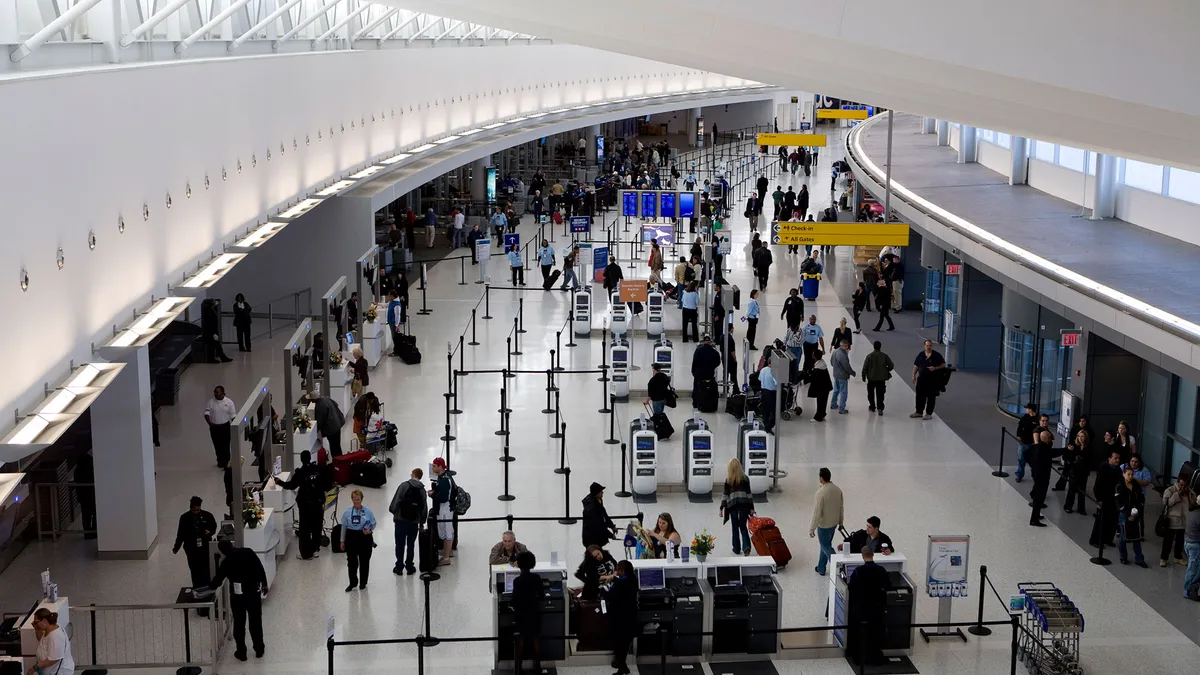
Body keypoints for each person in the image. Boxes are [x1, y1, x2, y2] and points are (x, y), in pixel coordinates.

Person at [207, 539, 268, 660]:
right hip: (254, 593)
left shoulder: (226, 562)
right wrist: (264, 583)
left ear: (222, 551)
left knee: (239, 624)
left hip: (238, 596)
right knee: (255, 622)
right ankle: (259, 649)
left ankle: (241, 652)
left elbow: (218, 580)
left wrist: (208, 587)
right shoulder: (248, 552)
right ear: (232, 544)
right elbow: (259, 567)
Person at [846, 546, 892, 667]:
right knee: (875, 633)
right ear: (873, 555)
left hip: (862, 608)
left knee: (861, 632)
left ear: (862, 556)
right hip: (877, 608)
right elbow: (888, 586)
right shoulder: (881, 570)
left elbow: (851, 588)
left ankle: (861, 656)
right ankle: (875, 657)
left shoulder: (858, 571)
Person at [275, 450, 326, 560]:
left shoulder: (300, 473)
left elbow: (291, 485)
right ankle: (316, 549)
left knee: (305, 529)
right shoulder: (317, 469)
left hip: (306, 505)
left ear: (301, 459)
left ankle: (306, 553)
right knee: (317, 526)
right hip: (318, 503)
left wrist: (279, 482)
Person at [509, 550, 544, 675]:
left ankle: (518, 666)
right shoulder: (537, 578)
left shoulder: (517, 581)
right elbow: (542, 595)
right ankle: (538, 666)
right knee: (536, 638)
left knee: (521, 639)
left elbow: (515, 598)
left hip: (521, 614)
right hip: (534, 612)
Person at [388, 467, 428, 575]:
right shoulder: (422, 490)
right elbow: (423, 508)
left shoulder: (404, 486)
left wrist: (394, 512)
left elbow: (396, 502)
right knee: (411, 545)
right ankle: (409, 566)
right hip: (413, 523)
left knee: (400, 544)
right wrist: (422, 522)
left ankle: (399, 567)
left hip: (401, 520)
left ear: (412, 474)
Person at [173, 496, 217, 589]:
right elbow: (180, 534)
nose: (196, 512)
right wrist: (176, 547)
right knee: (194, 568)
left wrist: (210, 532)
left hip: (205, 546)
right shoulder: (184, 518)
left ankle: (207, 586)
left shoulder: (207, 515)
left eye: (198, 510)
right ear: (190, 508)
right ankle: (197, 586)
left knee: (206, 566)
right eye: (194, 510)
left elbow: (213, 526)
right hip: (191, 547)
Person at [604, 560, 639, 675]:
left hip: (620, 619)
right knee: (624, 644)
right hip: (630, 618)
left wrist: (603, 591)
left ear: (622, 571)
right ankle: (621, 665)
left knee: (619, 645)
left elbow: (610, 596)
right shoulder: (633, 580)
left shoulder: (620, 584)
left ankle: (623, 668)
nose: (616, 571)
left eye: (618, 569)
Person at [339, 489, 377, 591]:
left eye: (358, 499)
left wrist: (369, 531)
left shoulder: (368, 511)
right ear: (352, 499)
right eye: (354, 499)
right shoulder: (347, 512)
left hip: (365, 537)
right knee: (351, 562)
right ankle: (353, 582)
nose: (356, 501)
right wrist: (342, 541)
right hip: (351, 537)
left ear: (362, 499)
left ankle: (363, 582)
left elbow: (373, 523)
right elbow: (343, 527)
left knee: (364, 561)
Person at [810, 467, 844, 575]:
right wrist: (841, 522)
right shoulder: (838, 490)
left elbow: (817, 512)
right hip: (833, 523)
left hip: (824, 525)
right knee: (825, 545)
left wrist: (812, 528)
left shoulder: (821, 493)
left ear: (821, 478)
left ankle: (837, 564)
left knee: (826, 546)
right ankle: (821, 568)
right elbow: (841, 507)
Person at [720, 458, 755, 556]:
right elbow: (749, 495)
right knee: (743, 527)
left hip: (733, 507)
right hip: (744, 506)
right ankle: (746, 547)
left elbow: (725, 495)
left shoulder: (728, 480)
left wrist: (721, 508)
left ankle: (736, 548)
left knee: (735, 528)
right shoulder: (745, 479)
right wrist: (751, 508)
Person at [1115, 464, 1148, 566]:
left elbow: (1141, 498)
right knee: (1123, 537)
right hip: (1124, 514)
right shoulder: (1119, 486)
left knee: (1136, 538)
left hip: (1135, 513)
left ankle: (1139, 559)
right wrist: (1128, 513)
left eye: (1132, 474)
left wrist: (1137, 510)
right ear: (1124, 474)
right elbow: (1118, 503)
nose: (1130, 476)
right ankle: (1123, 556)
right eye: (1128, 474)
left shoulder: (1136, 485)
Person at [1028, 431, 1061, 527]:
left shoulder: (1036, 447)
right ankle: (1034, 519)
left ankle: (1036, 515)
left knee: (1039, 497)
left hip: (1037, 475)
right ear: (1046, 439)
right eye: (1050, 438)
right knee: (1039, 498)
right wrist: (1066, 449)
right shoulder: (1044, 449)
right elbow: (1054, 452)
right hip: (1042, 477)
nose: (1051, 440)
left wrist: (1033, 466)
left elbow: (1027, 455)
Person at [28, 608, 74, 675]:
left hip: (60, 672)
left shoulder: (55, 636)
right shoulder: (49, 628)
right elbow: (41, 639)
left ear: (44, 621)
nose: (35, 624)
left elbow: (54, 659)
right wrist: (37, 628)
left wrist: (35, 667)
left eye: (36, 622)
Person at [1091, 450, 1123, 547]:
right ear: (1109, 458)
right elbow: (1097, 486)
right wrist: (1099, 499)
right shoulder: (1103, 468)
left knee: (1112, 520)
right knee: (1101, 520)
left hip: (1114, 498)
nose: (1117, 460)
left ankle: (1108, 539)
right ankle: (1095, 540)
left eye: (1118, 458)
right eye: (1115, 458)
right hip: (1104, 498)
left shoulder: (1118, 470)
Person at [429, 457, 455, 567]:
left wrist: (432, 495)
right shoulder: (444, 477)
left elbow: (443, 497)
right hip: (445, 509)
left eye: (434, 466)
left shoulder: (444, 480)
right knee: (448, 531)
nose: (432, 467)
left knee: (446, 532)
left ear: (440, 466)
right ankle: (448, 551)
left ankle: (446, 558)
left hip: (444, 510)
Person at [910, 339, 946, 419]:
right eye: (927, 345)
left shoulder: (936, 355)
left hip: (933, 381)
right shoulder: (921, 355)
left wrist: (935, 368)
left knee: (931, 397)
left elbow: (943, 364)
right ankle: (919, 412)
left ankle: (929, 413)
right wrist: (913, 375)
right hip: (922, 380)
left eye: (930, 345)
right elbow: (916, 365)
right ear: (924, 346)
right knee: (919, 396)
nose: (929, 347)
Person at [1161, 477, 1191, 567]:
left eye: (1185, 485)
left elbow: (1193, 502)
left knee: (1180, 541)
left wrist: (1189, 493)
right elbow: (1167, 503)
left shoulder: (1188, 491)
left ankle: (1177, 557)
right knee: (1168, 541)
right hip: (1172, 520)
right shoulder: (1170, 490)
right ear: (1177, 482)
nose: (1183, 487)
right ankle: (1163, 558)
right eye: (1181, 484)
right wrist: (1178, 495)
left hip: (1184, 520)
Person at [204, 386, 236, 468]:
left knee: (226, 445)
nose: (215, 394)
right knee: (217, 445)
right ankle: (220, 461)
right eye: (214, 392)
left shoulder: (229, 402)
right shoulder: (210, 402)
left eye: (217, 392)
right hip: (214, 427)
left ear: (222, 393)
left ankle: (227, 463)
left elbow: (233, 416)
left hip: (225, 427)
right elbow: (206, 413)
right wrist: (210, 423)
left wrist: (235, 427)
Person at [1061, 429, 1092, 515]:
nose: (1080, 438)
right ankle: (1068, 506)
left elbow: (1090, 459)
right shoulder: (1073, 445)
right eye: (1079, 436)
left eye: (1082, 436)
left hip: (1083, 472)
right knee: (1072, 489)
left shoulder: (1089, 447)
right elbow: (1066, 456)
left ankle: (1081, 508)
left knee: (1082, 491)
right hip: (1074, 471)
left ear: (1085, 437)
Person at [581, 482, 618, 548]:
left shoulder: (598, 501)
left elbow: (604, 515)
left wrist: (612, 526)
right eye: (601, 491)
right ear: (596, 493)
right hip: (592, 540)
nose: (602, 492)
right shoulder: (592, 508)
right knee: (595, 556)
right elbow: (598, 526)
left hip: (596, 537)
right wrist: (610, 535)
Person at [308, 391, 346, 457]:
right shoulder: (326, 398)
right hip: (337, 424)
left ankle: (336, 461)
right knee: (337, 445)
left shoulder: (319, 405)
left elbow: (320, 420)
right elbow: (336, 405)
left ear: (313, 399)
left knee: (333, 446)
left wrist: (315, 431)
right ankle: (340, 460)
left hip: (331, 428)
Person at [860, 341, 894, 415]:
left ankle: (872, 406)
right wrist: (886, 370)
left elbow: (865, 367)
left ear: (873, 346)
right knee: (880, 393)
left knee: (871, 393)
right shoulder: (884, 356)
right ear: (880, 347)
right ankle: (880, 408)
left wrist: (863, 376)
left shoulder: (869, 356)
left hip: (871, 378)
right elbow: (891, 365)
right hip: (881, 378)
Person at [1014, 402, 1039, 483]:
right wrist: (1019, 436)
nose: (1026, 409)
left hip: (1033, 444)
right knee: (1021, 459)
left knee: (1034, 461)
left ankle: (1035, 475)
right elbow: (1020, 427)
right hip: (1023, 442)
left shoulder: (1038, 419)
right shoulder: (1025, 417)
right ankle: (1019, 475)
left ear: (1030, 409)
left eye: (1027, 408)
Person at [691, 334, 721, 399]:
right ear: (710, 342)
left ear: (703, 342)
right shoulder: (714, 352)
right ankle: (707, 400)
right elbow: (718, 362)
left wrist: (693, 371)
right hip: (709, 373)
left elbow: (694, 361)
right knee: (708, 386)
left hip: (699, 372)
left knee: (697, 386)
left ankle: (696, 402)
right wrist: (712, 367)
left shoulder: (698, 350)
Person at [806, 349, 833, 422]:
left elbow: (813, 379)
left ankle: (818, 417)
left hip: (821, 388)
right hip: (826, 387)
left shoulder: (818, 368)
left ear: (814, 357)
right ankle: (822, 414)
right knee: (823, 402)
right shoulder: (822, 364)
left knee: (820, 402)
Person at [74, 452, 96, 539]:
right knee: (95, 513)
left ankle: (87, 532)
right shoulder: (91, 469)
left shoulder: (77, 470)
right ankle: (94, 531)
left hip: (83, 496)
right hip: (92, 495)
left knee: (86, 515)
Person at [830, 340, 855, 414]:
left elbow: (831, 362)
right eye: (846, 346)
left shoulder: (835, 351)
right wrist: (852, 373)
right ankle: (842, 409)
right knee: (843, 392)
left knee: (836, 390)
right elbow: (846, 366)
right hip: (842, 376)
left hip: (836, 374)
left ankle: (833, 404)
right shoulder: (842, 354)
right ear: (842, 346)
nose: (847, 348)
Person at [1184, 494, 1200, 599]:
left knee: (1194, 567)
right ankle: (1188, 591)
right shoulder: (1198, 514)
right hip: (1194, 544)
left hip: (1188, 542)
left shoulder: (1191, 510)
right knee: (1193, 568)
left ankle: (1192, 588)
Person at [758, 354, 779, 432]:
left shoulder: (763, 370)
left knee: (765, 410)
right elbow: (777, 383)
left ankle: (765, 424)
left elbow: (760, 379)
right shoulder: (774, 372)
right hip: (772, 393)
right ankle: (768, 426)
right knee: (774, 411)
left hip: (764, 392)